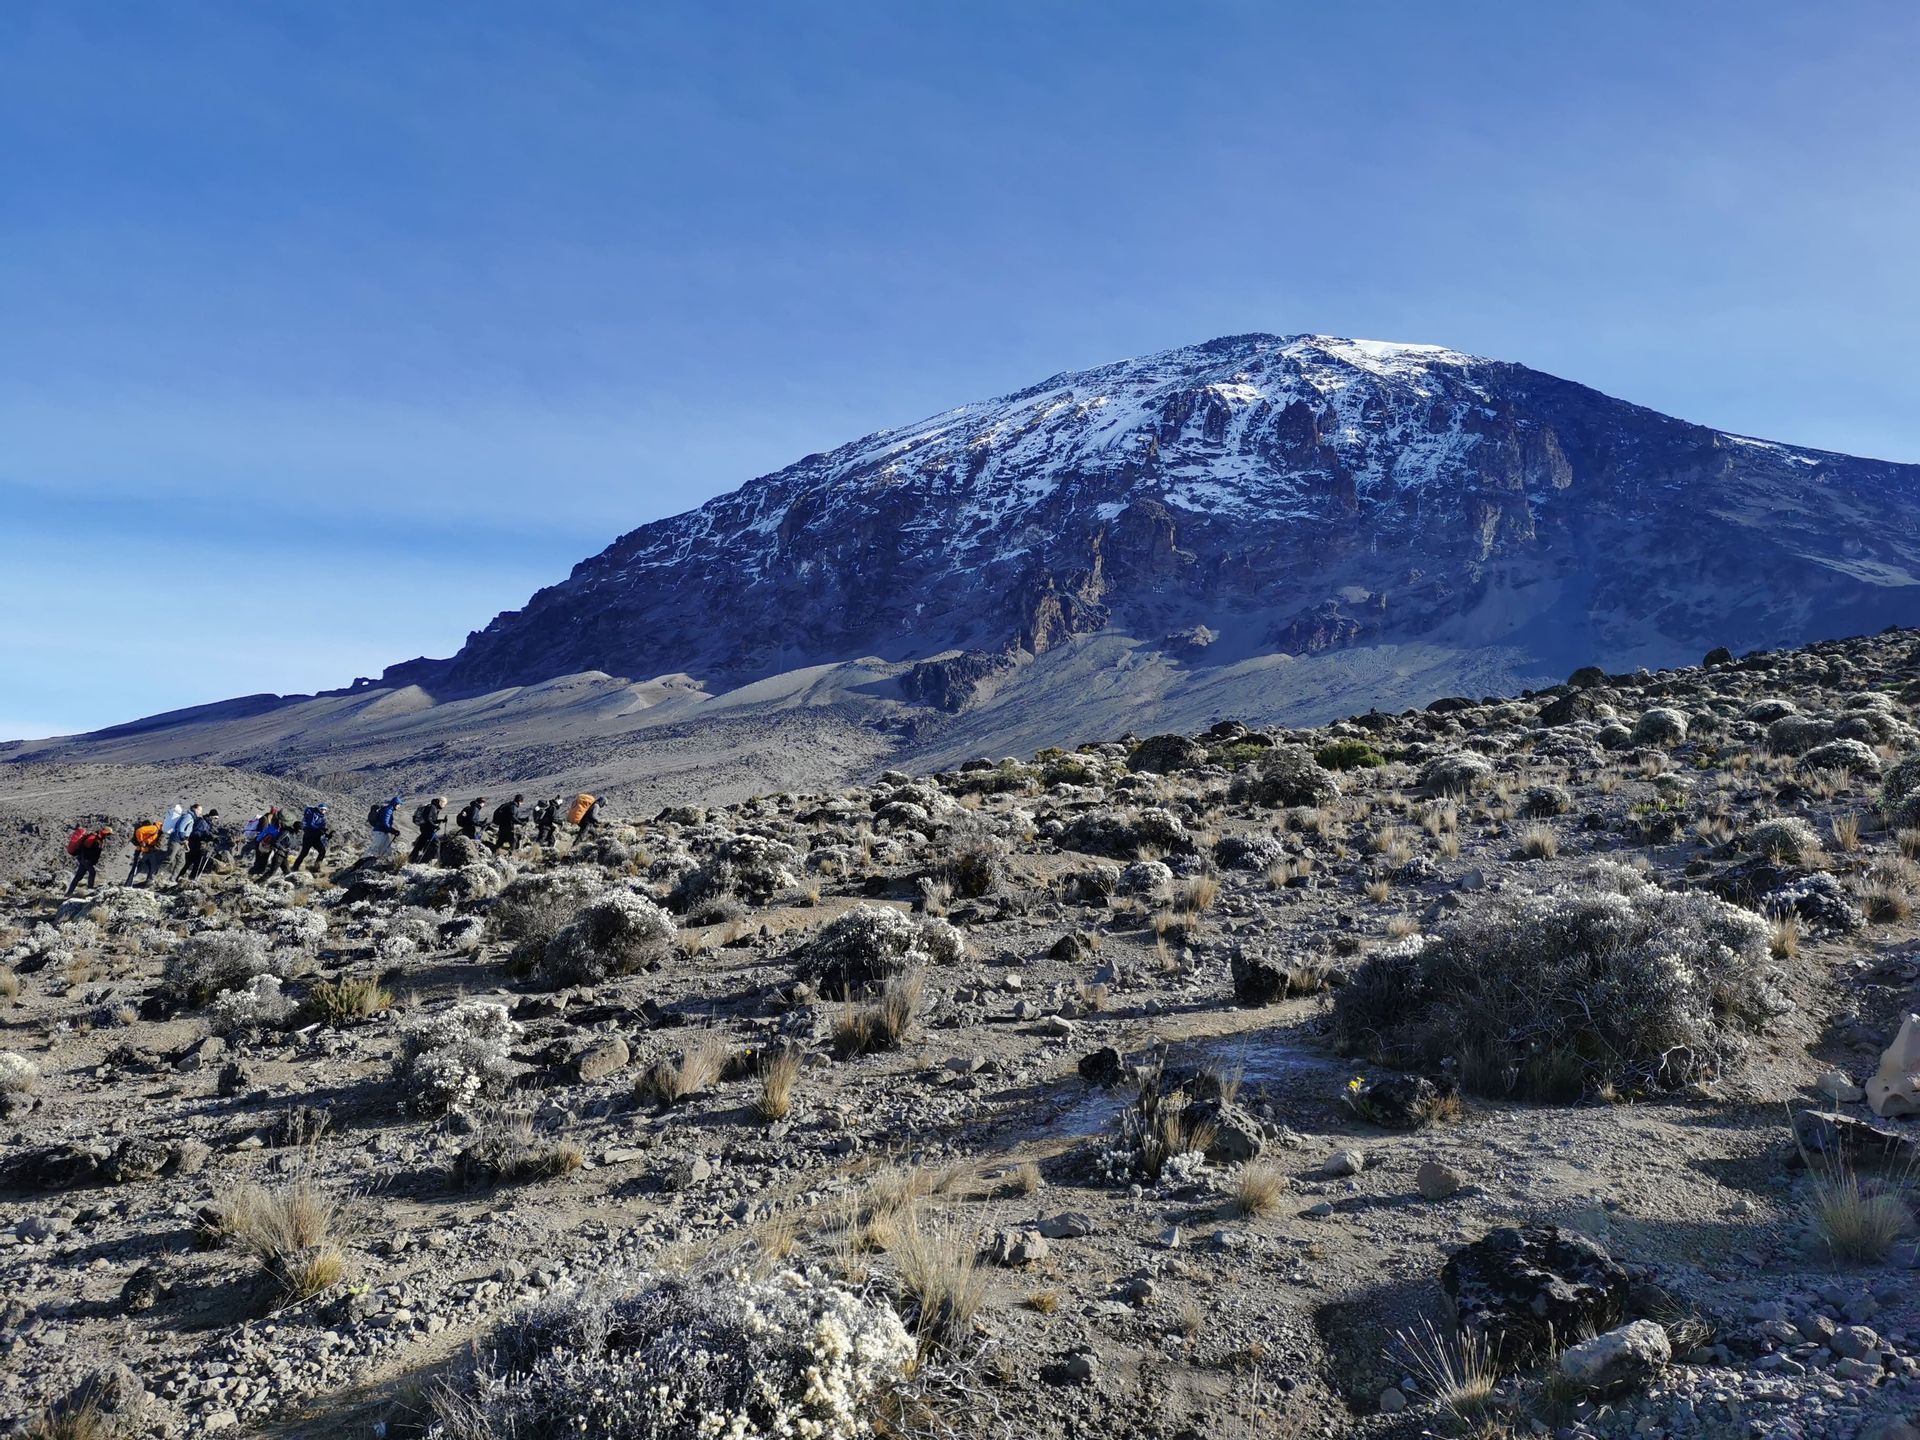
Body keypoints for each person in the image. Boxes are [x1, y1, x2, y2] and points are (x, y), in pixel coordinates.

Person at [65, 825, 111, 896]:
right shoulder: (93, 838)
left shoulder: (99, 839)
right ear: (104, 832)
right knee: (92, 872)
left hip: (85, 859)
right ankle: (90, 890)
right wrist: (86, 859)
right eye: (108, 834)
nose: (108, 835)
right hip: (85, 859)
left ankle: (68, 893)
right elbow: (85, 848)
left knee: (78, 877)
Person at [289, 802, 331, 873]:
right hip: (308, 837)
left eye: (325, 810)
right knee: (304, 853)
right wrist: (320, 829)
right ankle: (295, 867)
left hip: (316, 838)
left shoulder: (323, 818)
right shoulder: (313, 814)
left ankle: (316, 867)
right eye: (322, 809)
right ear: (318, 808)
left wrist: (325, 833)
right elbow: (310, 824)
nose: (323, 811)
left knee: (322, 851)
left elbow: (321, 828)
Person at [181, 806, 217, 881]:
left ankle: (190, 878)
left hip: (197, 844)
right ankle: (185, 877)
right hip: (194, 844)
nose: (216, 820)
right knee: (191, 862)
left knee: (195, 863)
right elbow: (196, 833)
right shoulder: (202, 822)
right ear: (211, 816)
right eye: (215, 818)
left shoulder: (207, 823)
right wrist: (207, 836)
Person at [408, 796, 447, 863]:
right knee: (436, 842)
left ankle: (411, 859)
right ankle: (434, 860)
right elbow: (428, 819)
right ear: (440, 802)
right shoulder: (432, 807)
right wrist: (435, 826)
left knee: (420, 844)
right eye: (443, 804)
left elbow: (431, 819)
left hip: (424, 828)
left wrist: (441, 820)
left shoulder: (432, 807)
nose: (443, 806)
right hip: (428, 829)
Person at [126, 818, 164, 886]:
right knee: (136, 867)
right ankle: (128, 884)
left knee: (153, 865)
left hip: (148, 850)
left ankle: (148, 882)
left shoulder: (158, 830)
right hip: (142, 850)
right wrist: (141, 841)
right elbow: (139, 831)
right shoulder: (154, 828)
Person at [366, 795, 402, 860]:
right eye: (399, 804)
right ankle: (364, 860)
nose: (399, 806)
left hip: (383, 832)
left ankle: (380, 862)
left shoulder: (388, 809)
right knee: (375, 848)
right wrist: (393, 831)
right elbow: (385, 822)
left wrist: (392, 830)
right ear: (396, 804)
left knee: (386, 849)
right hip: (380, 832)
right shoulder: (388, 810)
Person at [249, 812, 283, 878]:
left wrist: (258, 840)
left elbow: (262, 835)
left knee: (258, 859)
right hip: (269, 847)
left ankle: (253, 872)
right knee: (264, 860)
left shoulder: (270, 827)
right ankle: (260, 873)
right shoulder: (279, 831)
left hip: (260, 843)